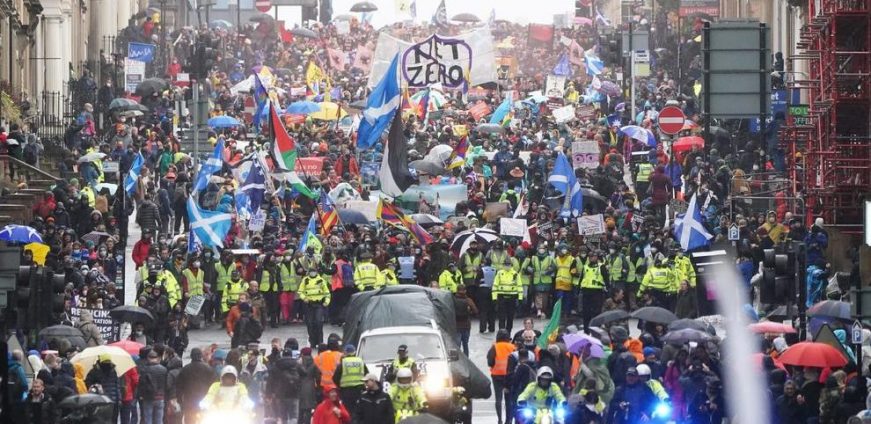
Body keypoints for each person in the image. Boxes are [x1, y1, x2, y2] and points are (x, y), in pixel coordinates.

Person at [176, 348, 216, 424]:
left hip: (189, 401)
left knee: (190, 420)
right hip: (205, 400)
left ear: (191, 356)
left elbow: (179, 386)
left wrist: (179, 400)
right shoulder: (208, 369)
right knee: (204, 419)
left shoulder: (185, 369)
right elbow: (213, 385)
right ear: (201, 356)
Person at [488, 329, 516, 424]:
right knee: (509, 399)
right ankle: (508, 420)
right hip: (509, 376)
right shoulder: (513, 347)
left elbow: (490, 362)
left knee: (498, 399)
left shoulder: (494, 347)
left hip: (497, 376)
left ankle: (499, 419)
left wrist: (494, 366)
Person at [299, 267, 331, 347]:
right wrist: (304, 298)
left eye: (314, 272)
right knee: (310, 323)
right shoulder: (305, 280)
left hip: (319, 304)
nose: (313, 273)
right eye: (311, 272)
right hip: (309, 304)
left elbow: (327, 293)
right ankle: (312, 342)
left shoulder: (321, 280)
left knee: (319, 322)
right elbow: (300, 292)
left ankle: (320, 341)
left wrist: (326, 302)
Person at [332, 344, 369, 409]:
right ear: (354, 352)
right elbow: (367, 375)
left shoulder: (343, 362)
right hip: (359, 390)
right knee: (359, 409)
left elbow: (335, 378)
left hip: (346, 391)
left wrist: (340, 386)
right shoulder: (360, 361)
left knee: (348, 410)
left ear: (345, 352)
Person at [493, 257, 523, 333]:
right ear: (503, 265)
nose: (507, 266)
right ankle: (501, 332)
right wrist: (494, 297)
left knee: (510, 317)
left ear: (511, 265)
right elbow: (495, 285)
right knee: (501, 317)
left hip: (512, 298)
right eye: (506, 264)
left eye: (508, 264)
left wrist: (520, 298)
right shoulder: (500, 273)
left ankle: (508, 332)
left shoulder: (515, 274)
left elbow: (519, 286)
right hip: (501, 297)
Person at [138, 350, 168, 424]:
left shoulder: (144, 369)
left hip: (148, 398)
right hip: (160, 397)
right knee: (159, 420)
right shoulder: (163, 369)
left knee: (148, 419)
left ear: (148, 358)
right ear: (157, 358)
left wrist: (141, 395)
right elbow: (166, 383)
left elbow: (141, 384)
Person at [454, 285, 478, 356]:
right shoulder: (468, 300)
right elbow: (476, 311)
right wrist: (469, 312)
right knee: (465, 345)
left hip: (457, 326)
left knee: (457, 346)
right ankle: (466, 360)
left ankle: (457, 359)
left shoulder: (453, 300)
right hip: (466, 326)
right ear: (465, 291)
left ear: (457, 290)